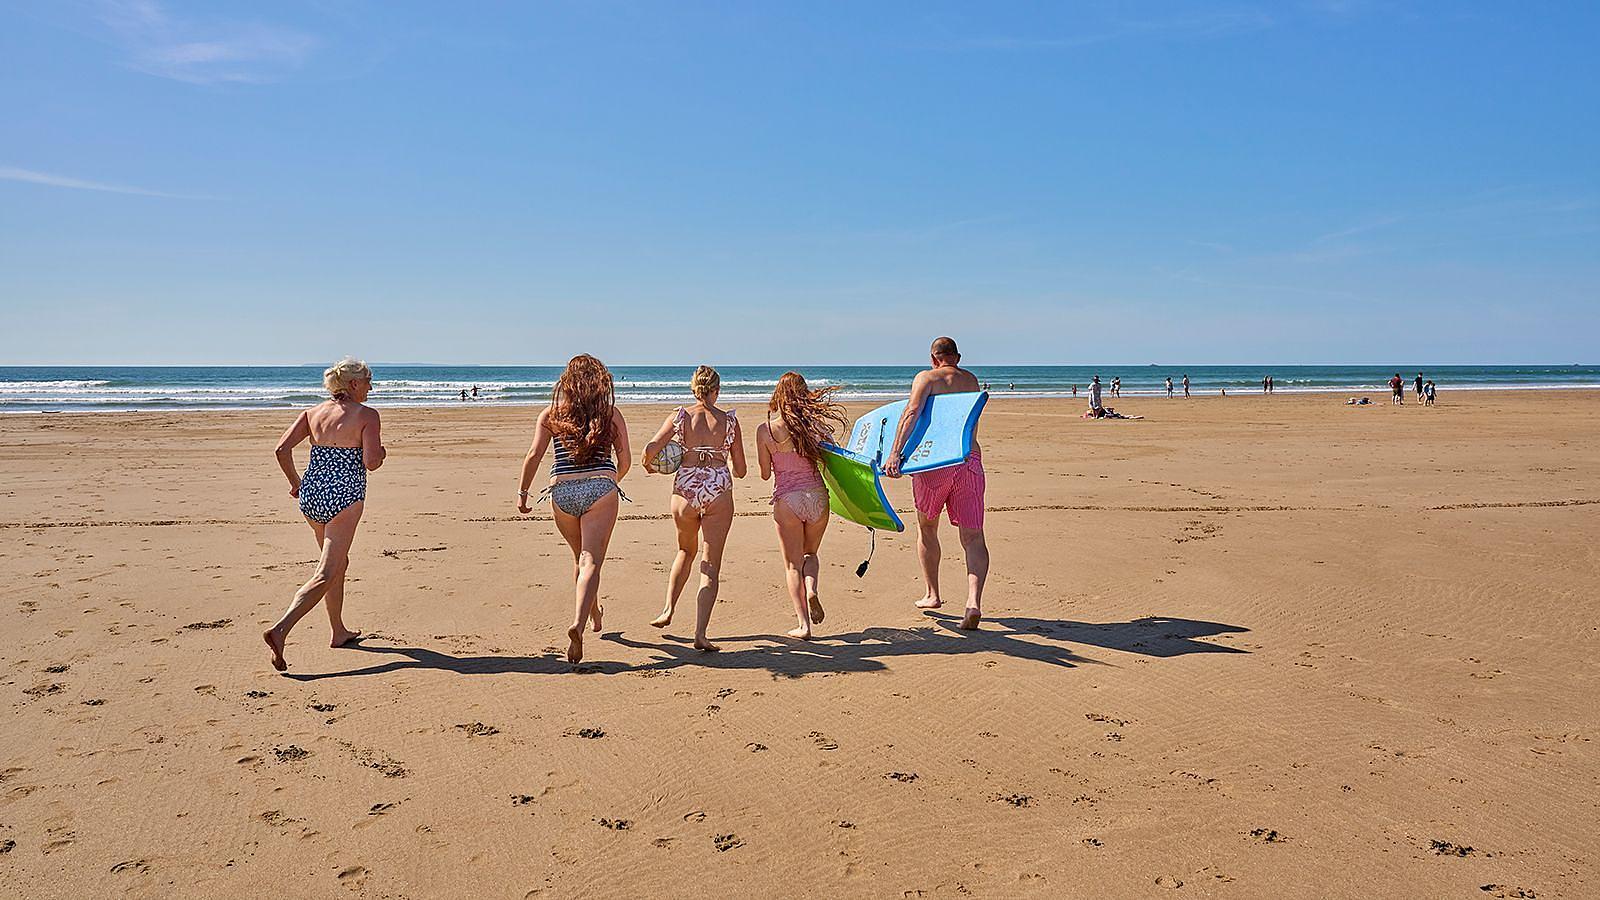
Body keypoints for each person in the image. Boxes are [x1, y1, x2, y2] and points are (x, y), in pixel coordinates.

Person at [264, 358, 386, 672]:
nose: (371, 386)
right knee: (326, 572)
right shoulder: (367, 416)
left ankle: (338, 631)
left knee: (338, 564)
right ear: (354, 384)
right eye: (368, 380)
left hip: (312, 496)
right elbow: (371, 462)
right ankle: (280, 630)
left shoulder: (312, 413)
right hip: (345, 497)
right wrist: (381, 452)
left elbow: (281, 449)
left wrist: (296, 484)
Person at [516, 354, 632, 664]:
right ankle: (578, 624)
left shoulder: (550, 415)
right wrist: (609, 482)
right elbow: (626, 460)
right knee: (590, 560)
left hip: (562, 492)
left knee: (579, 558)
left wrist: (523, 492)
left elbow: (533, 455)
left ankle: (593, 612)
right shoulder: (610, 414)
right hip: (600, 490)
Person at [883, 337, 988, 630]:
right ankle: (973, 603)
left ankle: (932, 595)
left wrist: (895, 454)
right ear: (958, 357)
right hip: (969, 460)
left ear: (933, 358)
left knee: (928, 528)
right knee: (973, 537)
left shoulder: (926, 378)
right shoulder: (972, 380)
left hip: (936, 465)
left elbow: (912, 413)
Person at [642, 366, 746, 651]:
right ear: (717, 390)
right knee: (710, 566)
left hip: (685, 491)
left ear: (694, 389)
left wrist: (650, 466)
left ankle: (667, 610)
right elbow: (740, 469)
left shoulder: (680, 416)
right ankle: (700, 634)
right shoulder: (730, 422)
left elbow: (650, 449)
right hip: (718, 491)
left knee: (685, 552)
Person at [756, 372, 846, 640]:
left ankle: (804, 625)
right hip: (817, 497)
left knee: (792, 565)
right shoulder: (815, 426)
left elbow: (763, 473)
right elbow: (837, 458)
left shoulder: (766, 429)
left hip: (788, 500)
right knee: (810, 555)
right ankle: (812, 590)